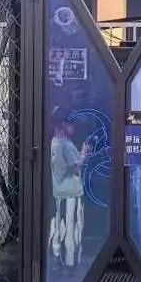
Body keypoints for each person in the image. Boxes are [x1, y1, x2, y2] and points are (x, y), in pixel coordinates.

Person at [49, 107, 88, 271]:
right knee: (72, 227)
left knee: (60, 226)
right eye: (72, 124)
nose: (75, 128)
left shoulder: (54, 141)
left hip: (58, 191)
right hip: (71, 192)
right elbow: (76, 165)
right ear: (63, 125)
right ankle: (70, 262)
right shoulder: (65, 144)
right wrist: (84, 152)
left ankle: (57, 256)